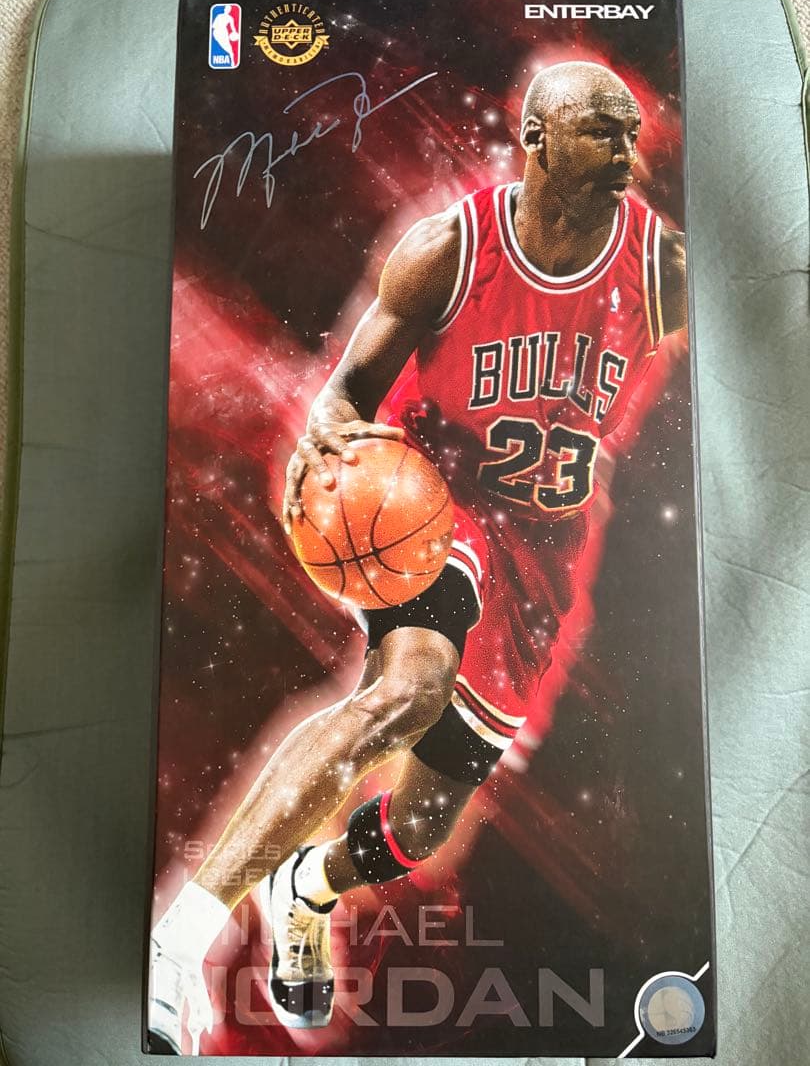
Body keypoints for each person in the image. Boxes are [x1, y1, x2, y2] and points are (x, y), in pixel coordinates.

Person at [148, 60, 687, 1053]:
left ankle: (305, 888)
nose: (627, 149)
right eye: (602, 131)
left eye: (629, 132)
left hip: (544, 555)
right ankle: (186, 933)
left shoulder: (661, 272)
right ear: (536, 140)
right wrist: (326, 432)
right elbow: (347, 393)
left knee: (424, 824)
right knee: (407, 687)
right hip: (429, 506)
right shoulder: (448, 250)